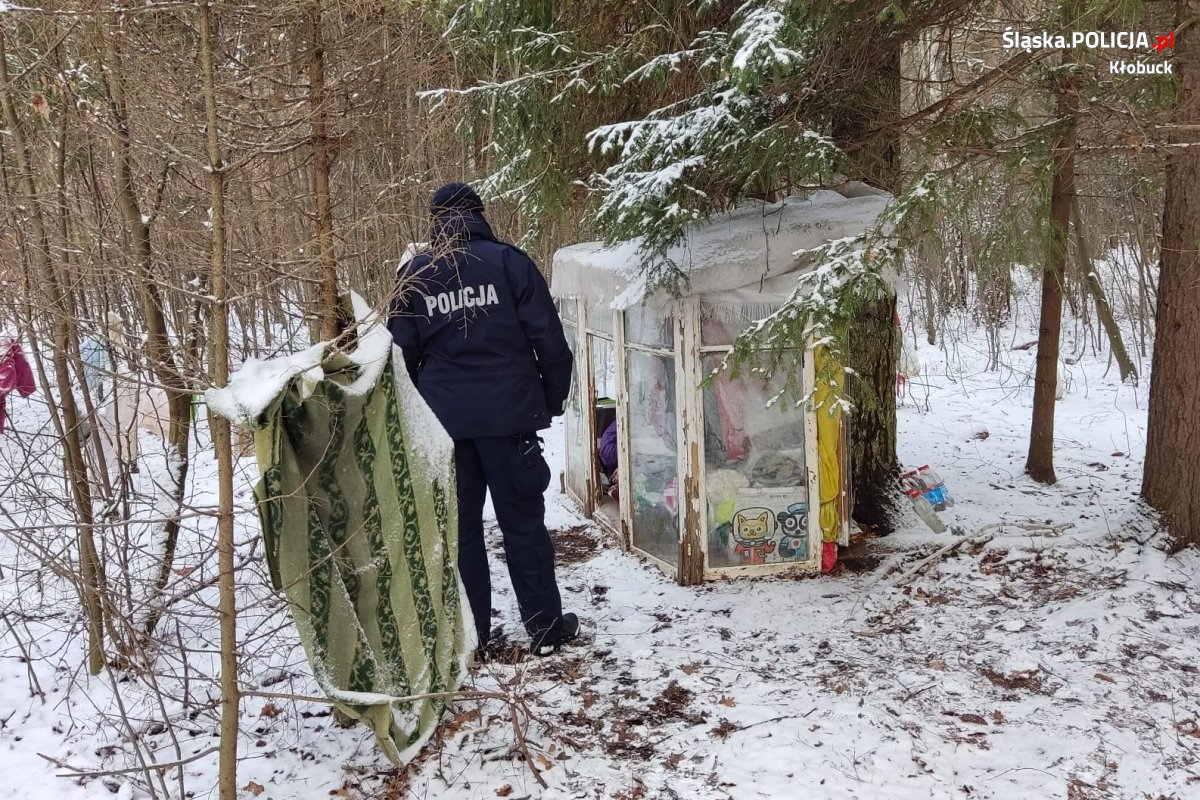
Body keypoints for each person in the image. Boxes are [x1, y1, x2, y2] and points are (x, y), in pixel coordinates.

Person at [387, 182, 579, 657]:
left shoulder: (415, 276)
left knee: (462, 531)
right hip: (510, 420)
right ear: (478, 213)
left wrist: (418, 418)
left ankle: (472, 638)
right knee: (523, 526)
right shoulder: (509, 264)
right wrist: (549, 402)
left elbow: (398, 357)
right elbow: (551, 344)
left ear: (435, 222)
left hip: (445, 427)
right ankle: (544, 629)